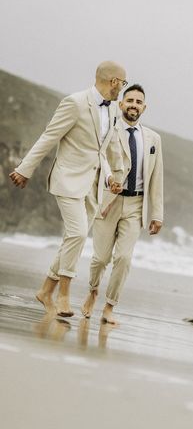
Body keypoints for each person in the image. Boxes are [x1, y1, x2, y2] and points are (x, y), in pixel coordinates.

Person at [9, 61, 126, 317]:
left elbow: (106, 148)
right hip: (68, 180)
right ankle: (63, 295)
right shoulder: (75, 103)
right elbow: (49, 136)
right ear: (113, 81)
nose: (123, 89)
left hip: (93, 186)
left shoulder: (114, 110)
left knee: (72, 238)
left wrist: (112, 177)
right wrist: (24, 168)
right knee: (78, 233)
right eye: (123, 83)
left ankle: (45, 290)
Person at [81, 83, 164, 324]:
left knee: (124, 258)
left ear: (144, 107)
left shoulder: (153, 139)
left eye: (139, 102)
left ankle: (109, 306)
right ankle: (93, 291)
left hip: (136, 205)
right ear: (121, 104)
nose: (134, 105)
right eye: (130, 101)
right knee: (100, 258)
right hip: (109, 201)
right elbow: (98, 162)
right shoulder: (109, 130)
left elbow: (156, 178)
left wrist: (156, 214)